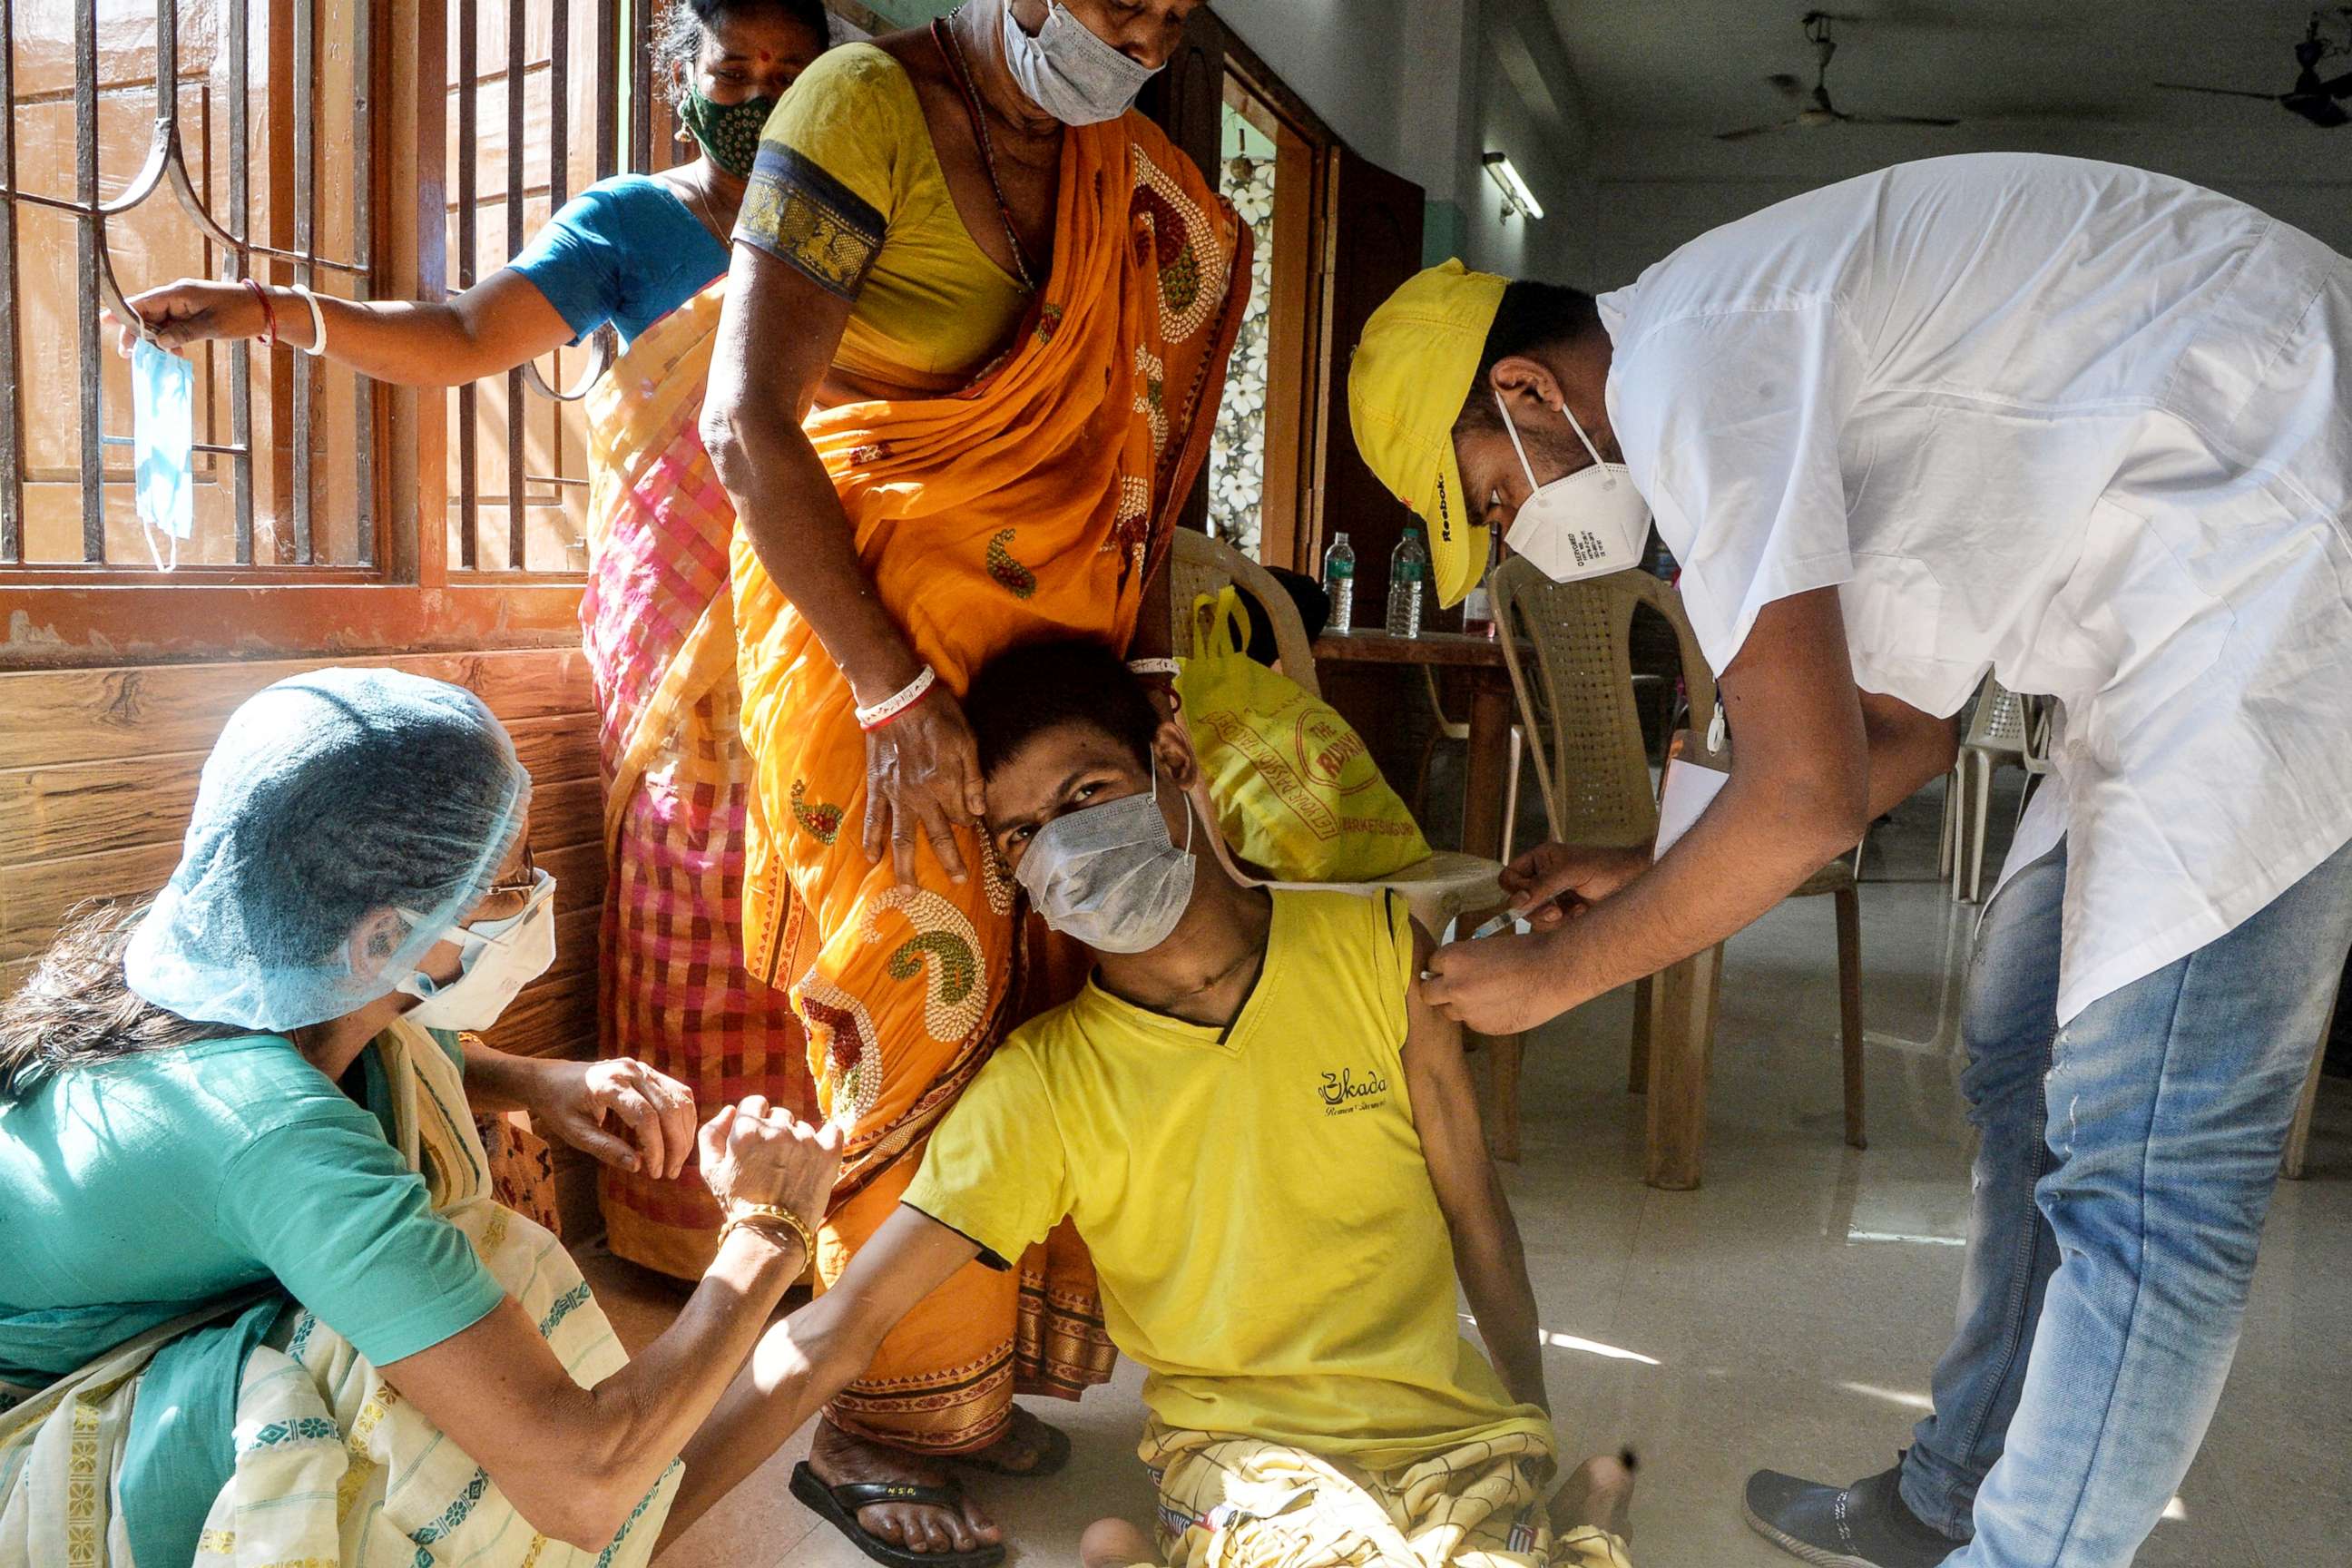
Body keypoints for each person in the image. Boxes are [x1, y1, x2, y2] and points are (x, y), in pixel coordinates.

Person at [1344, 152, 2352, 1568]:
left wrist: (1558, 976)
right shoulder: (1722, 362)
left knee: (2150, 1160)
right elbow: (1904, 735)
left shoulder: (1688, 367)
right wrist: (1643, 863)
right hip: (2179, 583)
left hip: (2284, 538)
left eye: (1492, 502)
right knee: (2013, 1053)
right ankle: (1952, 1496)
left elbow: (1812, 797)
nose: (1518, 536)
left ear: (1525, 394)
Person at [106, 0, 835, 1281]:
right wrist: (268, 311)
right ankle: (694, 1230)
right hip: (681, 636)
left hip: (827, 613)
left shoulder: (853, 234)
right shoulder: (634, 227)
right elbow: (460, 334)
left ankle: (824, 1213)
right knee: (702, 885)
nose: (762, 96)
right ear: (685, 78)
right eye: (735, 69)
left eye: (793, 73)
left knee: (826, 896)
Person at [653, 638, 1638, 1568]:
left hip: (1445, 1430)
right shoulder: (1047, 1087)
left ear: (1174, 758)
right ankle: (1584, 1527)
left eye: (1089, 793)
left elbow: (1474, 1205)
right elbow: (843, 1328)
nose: (1068, 848)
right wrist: (625, 1529)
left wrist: (1529, 1420)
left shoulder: (1378, 952)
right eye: (1023, 833)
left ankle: (1568, 1512)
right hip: (1242, 1461)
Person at [699, 0, 1248, 1554]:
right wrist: (888, 688)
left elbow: (1139, 449)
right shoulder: (859, 106)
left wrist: (1143, 689)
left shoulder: (1116, 169)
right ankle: (870, 1423)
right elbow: (744, 426)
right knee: (914, 1004)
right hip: (881, 673)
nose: (1137, 27)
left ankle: (971, 1384)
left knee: (1039, 1008)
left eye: (1166, 9)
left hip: (1048, 692)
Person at [0, 668, 842, 1566]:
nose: (527, 902)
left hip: (162, 1302)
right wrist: (769, 1228)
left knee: (457, 1281)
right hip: (42, 1427)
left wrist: (536, 1083)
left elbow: (384, 1046)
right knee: (454, 1325)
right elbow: (583, 1485)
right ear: (378, 940)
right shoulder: (270, 1129)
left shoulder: (242, 954)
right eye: (502, 882)